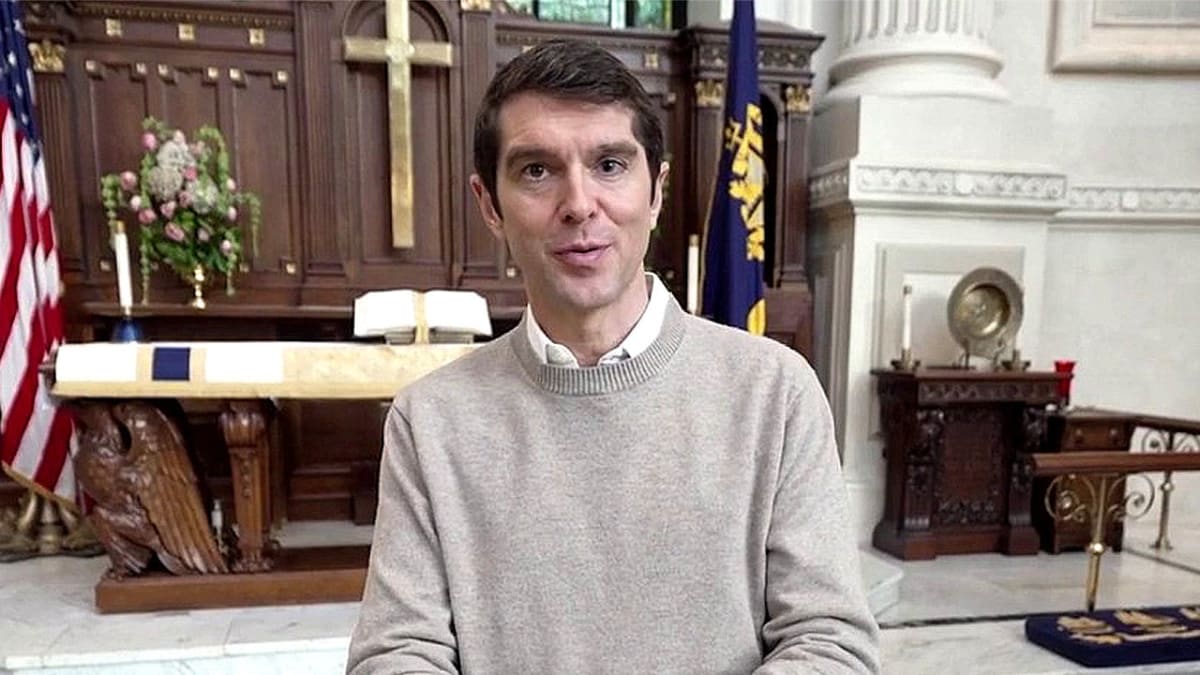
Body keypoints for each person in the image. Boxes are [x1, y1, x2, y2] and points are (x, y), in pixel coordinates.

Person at [347, 39, 880, 674]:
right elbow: (396, 652)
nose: (578, 204)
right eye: (537, 170)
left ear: (655, 191)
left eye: (609, 164)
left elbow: (828, 641)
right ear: (489, 204)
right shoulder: (430, 421)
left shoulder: (775, 393)